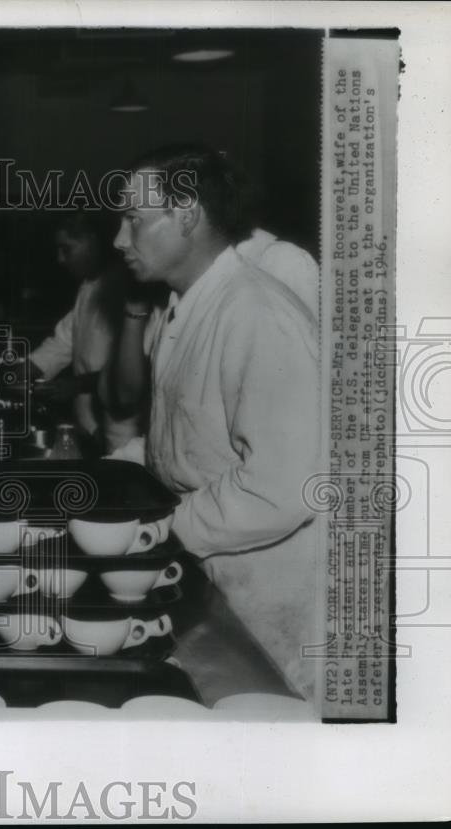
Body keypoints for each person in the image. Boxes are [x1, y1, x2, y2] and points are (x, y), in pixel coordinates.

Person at [102, 145, 321, 698]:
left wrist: (157, 533)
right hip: (220, 582)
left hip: (273, 601)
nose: (118, 240)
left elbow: (283, 489)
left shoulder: (254, 311)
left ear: (187, 214)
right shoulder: (186, 306)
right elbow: (188, 440)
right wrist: (105, 476)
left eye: (133, 219)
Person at [29, 211, 138, 453]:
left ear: (93, 239)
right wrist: (15, 373)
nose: (60, 259)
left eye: (66, 249)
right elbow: (63, 343)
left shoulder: (126, 286)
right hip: (89, 427)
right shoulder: (89, 286)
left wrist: (78, 384)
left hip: (122, 434)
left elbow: (136, 371)